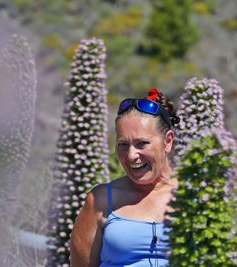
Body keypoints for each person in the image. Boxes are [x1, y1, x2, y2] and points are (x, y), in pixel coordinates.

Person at [70, 88, 180, 267]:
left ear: (168, 141)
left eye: (142, 143)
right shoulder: (101, 200)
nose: (130, 156)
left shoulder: (195, 195)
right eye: (123, 144)